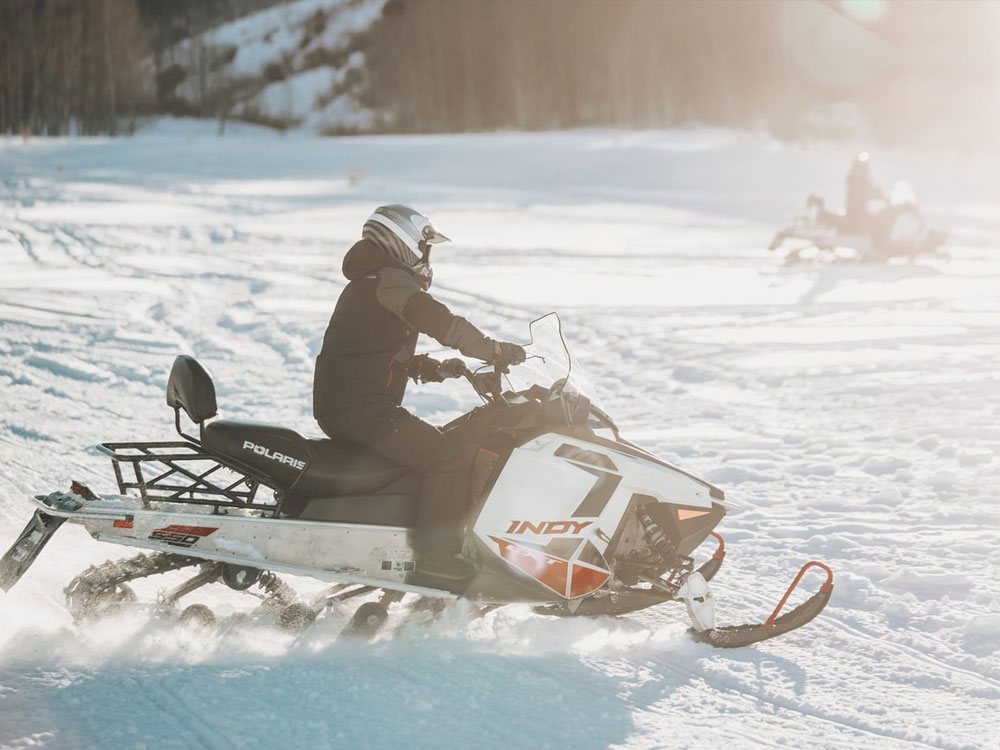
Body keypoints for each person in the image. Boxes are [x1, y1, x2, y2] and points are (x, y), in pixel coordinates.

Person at [313, 204, 525, 583]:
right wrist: (492, 350)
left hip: (350, 403)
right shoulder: (389, 280)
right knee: (447, 457)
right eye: (425, 248)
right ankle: (437, 558)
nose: (428, 259)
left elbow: (372, 350)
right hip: (361, 409)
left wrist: (435, 368)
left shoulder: (372, 280)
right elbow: (440, 321)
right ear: (403, 243)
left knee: (435, 448)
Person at [844, 152, 884, 234]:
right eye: (863, 166)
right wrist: (877, 194)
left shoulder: (862, 179)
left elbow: (869, 191)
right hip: (855, 213)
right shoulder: (856, 180)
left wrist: (880, 194)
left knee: (877, 218)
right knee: (876, 222)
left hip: (859, 210)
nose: (864, 169)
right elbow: (863, 192)